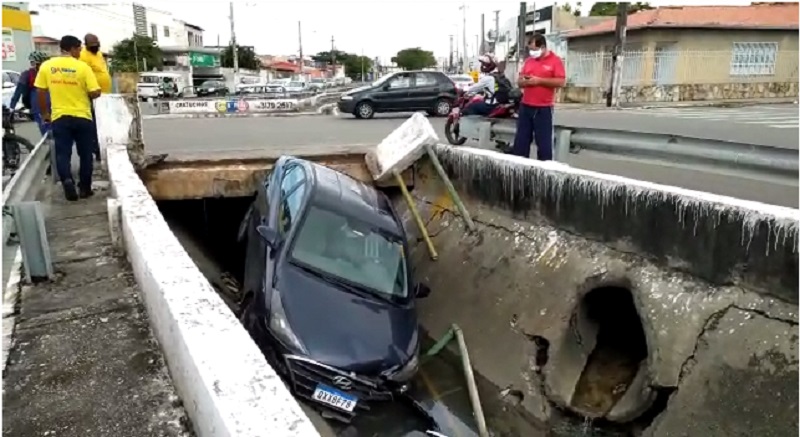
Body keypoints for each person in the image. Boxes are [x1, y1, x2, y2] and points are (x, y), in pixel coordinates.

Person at [35, 35, 102, 201]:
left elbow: (41, 91)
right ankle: (85, 188)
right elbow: (94, 92)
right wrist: (92, 92)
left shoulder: (47, 66)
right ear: (72, 49)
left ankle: (67, 181)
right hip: (82, 117)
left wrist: (45, 114)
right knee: (86, 154)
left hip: (60, 118)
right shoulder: (83, 67)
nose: (80, 51)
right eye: (79, 48)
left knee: (62, 153)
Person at [511, 34, 566, 160]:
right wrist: (525, 82)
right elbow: (519, 81)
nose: (532, 53)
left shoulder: (555, 61)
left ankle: (543, 173)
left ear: (542, 47)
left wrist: (539, 81)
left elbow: (561, 82)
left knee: (544, 146)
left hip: (543, 108)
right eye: (530, 50)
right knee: (521, 143)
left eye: (534, 50)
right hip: (526, 106)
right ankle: (519, 171)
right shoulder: (529, 61)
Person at [79, 33, 111, 162]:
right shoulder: (83, 56)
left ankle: (103, 147)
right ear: (86, 44)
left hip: (104, 94)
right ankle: (96, 150)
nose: (95, 47)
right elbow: (83, 76)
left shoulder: (98, 54)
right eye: (92, 45)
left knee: (104, 124)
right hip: (92, 95)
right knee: (95, 126)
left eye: (97, 44)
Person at [9, 51, 52, 136]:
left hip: (39, 106)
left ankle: (53, 145)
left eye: (32, 62)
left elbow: (19, 91)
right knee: (53, 130)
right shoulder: (52, 73)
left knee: (47, 131)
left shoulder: (27, 74)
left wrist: (11, 107)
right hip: (52, 105)